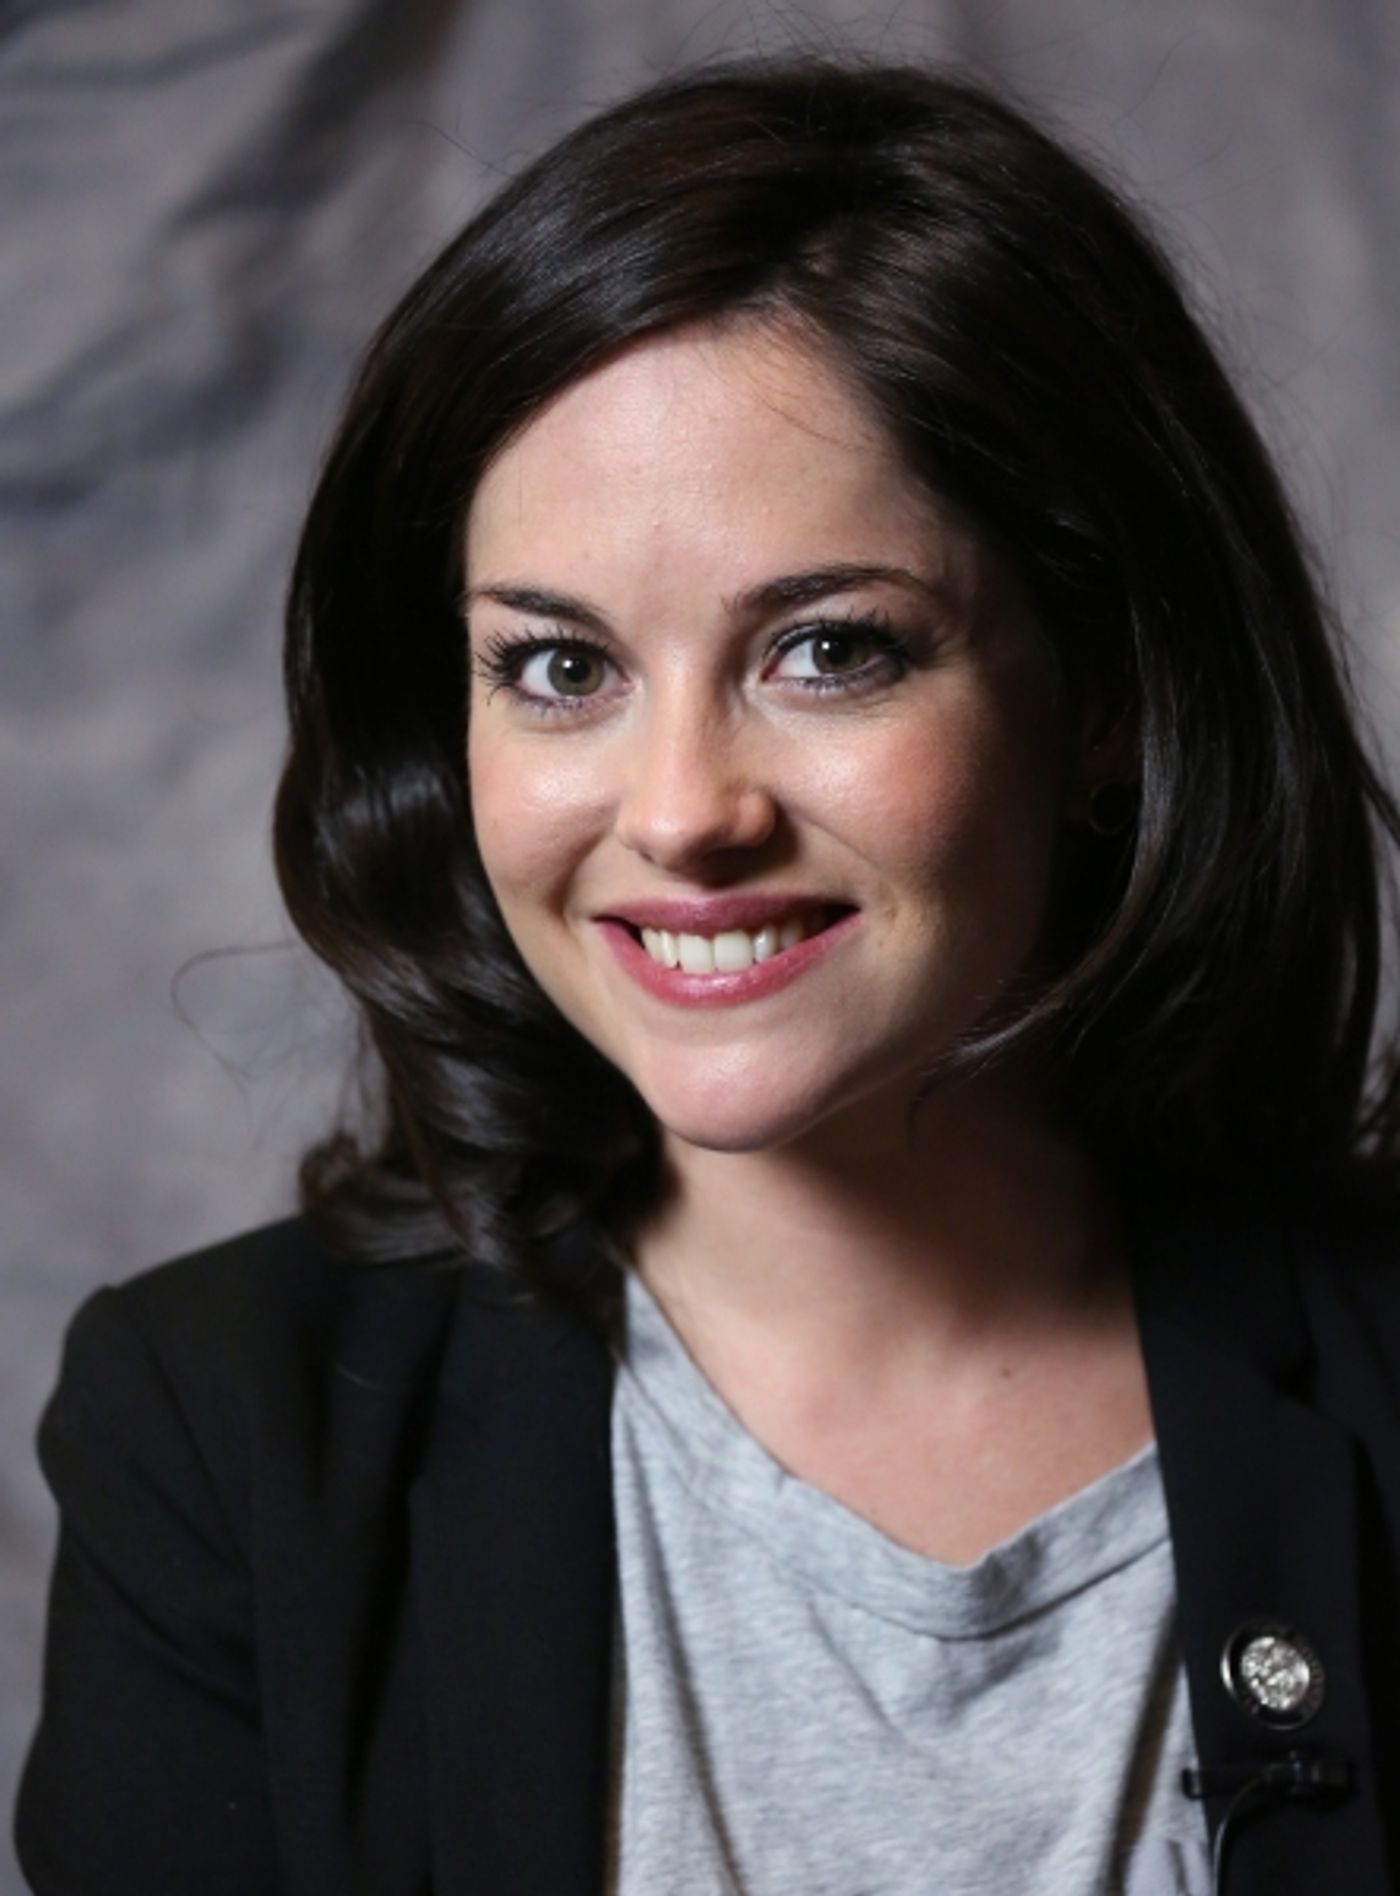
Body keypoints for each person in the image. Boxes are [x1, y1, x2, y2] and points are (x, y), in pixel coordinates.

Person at [15, 54, 1400, 1896]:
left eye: (828, 651)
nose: (681, 815)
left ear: (1113, 696)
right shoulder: (218, 1430)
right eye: (561, 669)